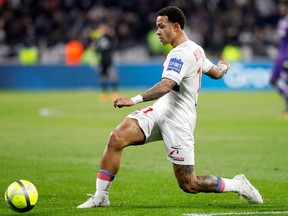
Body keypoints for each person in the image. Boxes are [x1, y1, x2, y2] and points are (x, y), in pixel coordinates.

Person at [77, 6, 263, 208]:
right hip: (160, 111)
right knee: (116, 138)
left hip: (179, 120)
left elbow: (166, 85)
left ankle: (238, 184)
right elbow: (215, 72)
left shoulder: (180, 55)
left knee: (189, 184)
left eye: (161, 27)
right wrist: (225, 67)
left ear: (176, 27)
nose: (157, 32)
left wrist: (134, 99)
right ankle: (101, 196)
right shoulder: (195, 49)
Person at [93, 23, 120, 102]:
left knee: (113, 77)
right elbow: (95, 49)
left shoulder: (109, 37)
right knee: (103, 78)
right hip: (101, 61)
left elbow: (115, 43)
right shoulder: (98, 39)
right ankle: (104, 94)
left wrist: (111, 34)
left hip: (109, 61)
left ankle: (115, 93)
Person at [271, 0, 288, 118]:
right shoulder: (282, 21)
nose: (281, 8)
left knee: (284, 82)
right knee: (273, 80)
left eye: (284, 6)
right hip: (280, 57)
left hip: (286, 56)